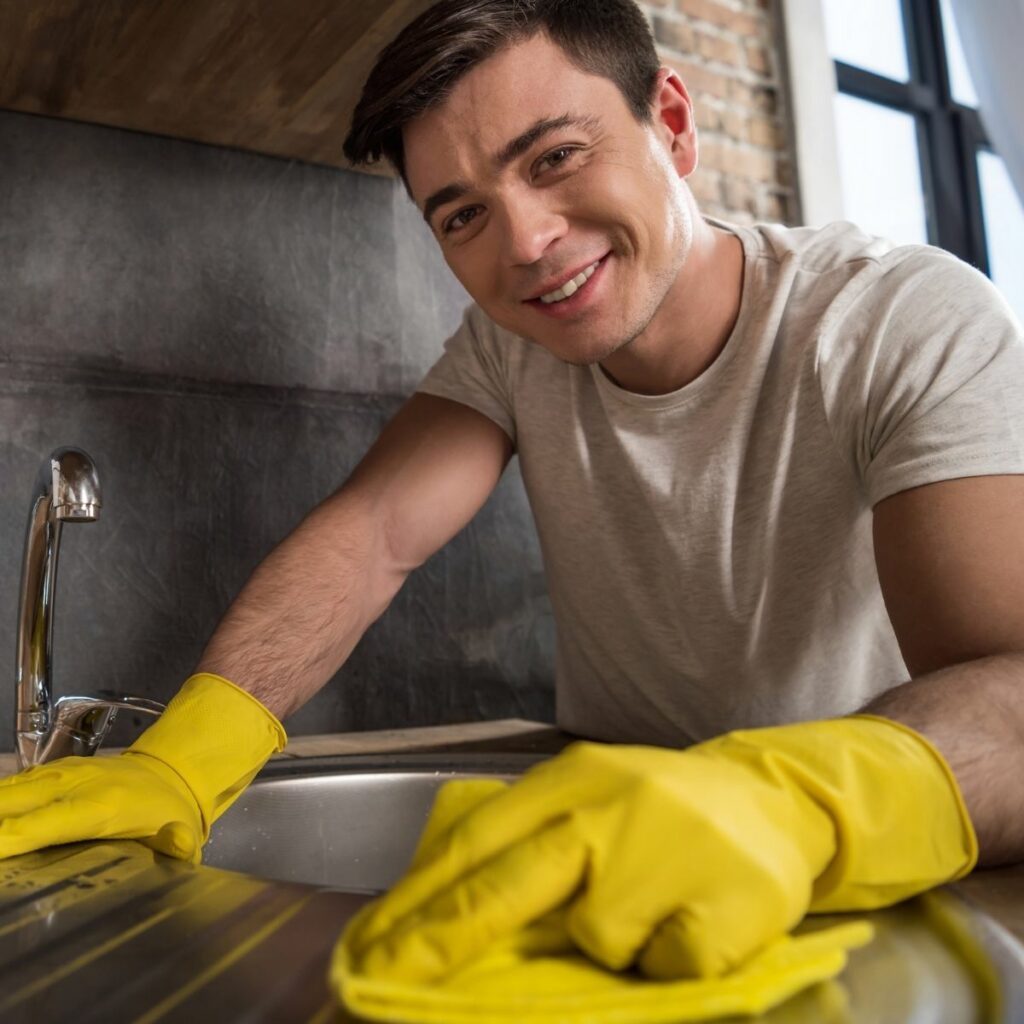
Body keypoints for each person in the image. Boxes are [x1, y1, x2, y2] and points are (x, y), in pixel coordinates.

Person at [1, 0, 1022, 994]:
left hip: (854, 886)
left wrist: (796, 804)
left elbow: (1011, 693)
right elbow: (371, 538)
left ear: (669, 120)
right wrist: (189, 754)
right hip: (592, 864)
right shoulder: (516, 342)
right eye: (463, 214)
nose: (525, 242)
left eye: (555, 158)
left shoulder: (901, 321)